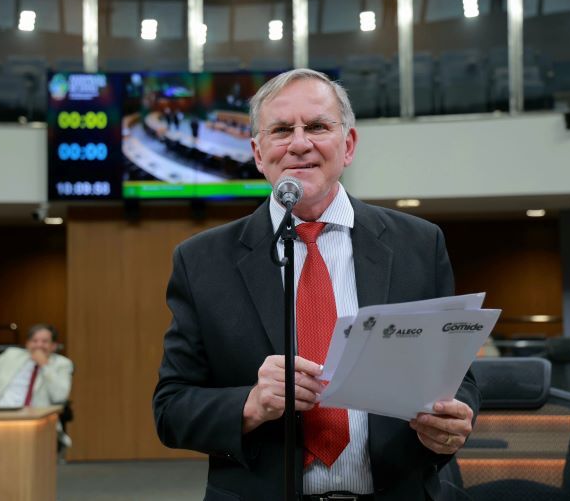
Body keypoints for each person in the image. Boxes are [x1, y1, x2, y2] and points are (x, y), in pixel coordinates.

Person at [153, 69, 480, 501]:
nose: (300, 143)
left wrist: (452, 419)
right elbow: (171, 408)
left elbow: (456, 376)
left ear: (348, 145)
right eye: (282, 130)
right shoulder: (202, 261)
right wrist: (251, 404)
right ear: (258, 152)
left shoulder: (418, 245)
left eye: (318, 126)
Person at [0, 324, 73, 408]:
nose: (39, 345)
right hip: (1, 414)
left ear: (53, 346)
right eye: (34, 341)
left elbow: (60, 397)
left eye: (44, 341)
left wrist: (45, 365)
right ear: (27, 344)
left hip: (37, 421)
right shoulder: (12, 355)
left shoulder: (63, 364)